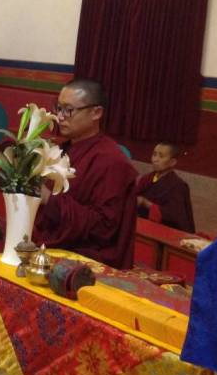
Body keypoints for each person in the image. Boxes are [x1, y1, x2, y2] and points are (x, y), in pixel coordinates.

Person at [32, 79, 138, 269]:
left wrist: (50, 200)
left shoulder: (112, 161)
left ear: (96, 113)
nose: (60, 117)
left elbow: (104, 228)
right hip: (49, 244)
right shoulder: (62, 150)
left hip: (87, 260)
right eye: (58, 108)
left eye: (69, 110)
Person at [135, 143, 196, 233]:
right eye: (154, 155)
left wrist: (146, 203)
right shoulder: (147, 178)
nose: (155, 159)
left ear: (172, 162)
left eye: (161, 156)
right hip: (142, 225)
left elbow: (175, 216)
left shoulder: (177, 185)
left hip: (165, 231)